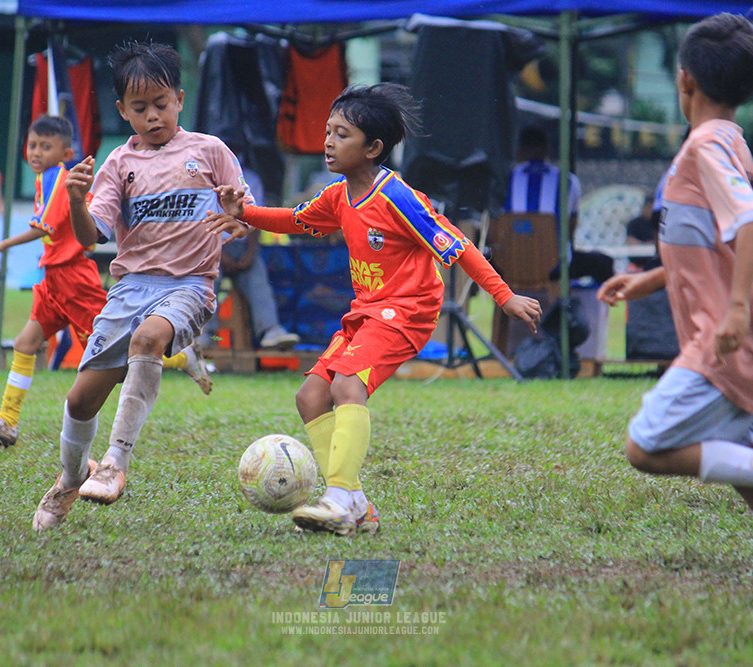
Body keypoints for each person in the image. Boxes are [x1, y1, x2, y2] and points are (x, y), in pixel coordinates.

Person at [596, 13, 753, 638]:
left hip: (724, 342)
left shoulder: (705, 145)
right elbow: (714, 242)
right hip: (750, 339)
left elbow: (752, 224)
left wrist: (734, 310)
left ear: (684, 80)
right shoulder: (730, 138)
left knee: (644, 447)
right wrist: (651, 279)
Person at [206, 83, 543, 537]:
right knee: (310, 397)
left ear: (373, 148)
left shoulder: (398, 197)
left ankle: (338, 499)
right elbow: (296, 219)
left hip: (407, 312)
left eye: (341, 134)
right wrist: (246, 213)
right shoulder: (338, 194)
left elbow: (460, 246)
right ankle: (357, 505)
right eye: (328, 131)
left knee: (348, 384)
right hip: (367, 312)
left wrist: (505, 296)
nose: (328, 141)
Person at [32, 41, 239, 531]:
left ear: (180, 99)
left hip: (189, 285)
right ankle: (71, 477)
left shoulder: (210, 152)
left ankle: (115, 463)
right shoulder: (118, 164)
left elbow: (242, 213)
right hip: (129, 290)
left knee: (149, 339)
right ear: (122, 110)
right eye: (140, 107)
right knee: (80, 401)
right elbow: (91, 237)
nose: (152, 116)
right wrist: (77, 200)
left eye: (161, 104)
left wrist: (238, 216)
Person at [0, 115, 107, 449]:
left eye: (45, 146)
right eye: (33, 145)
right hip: (54, 278)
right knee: (25, 343)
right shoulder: (45, 178)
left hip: (74, 280)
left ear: (65, 153)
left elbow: (42, 228)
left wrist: (1, 244)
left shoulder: (59, 179)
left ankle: (182, 358)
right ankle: (7, 422)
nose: (36, 152)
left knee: (113, 353)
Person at [200, 164, 300, 351]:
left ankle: (270, 329)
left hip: (243, 244)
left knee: (258, 277)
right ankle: (205, 333)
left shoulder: (251, 178)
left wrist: (250, 253)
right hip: (210, 245)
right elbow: (199, 222)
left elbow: (256, 217)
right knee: (208, 279)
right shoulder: (203, 177)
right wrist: (219, 252)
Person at [505, 124, 613, 284]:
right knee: (603, 262)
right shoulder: (568, 181)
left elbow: (495, 228)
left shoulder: (506, 179)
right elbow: (569, 230)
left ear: (519, 152)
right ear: (548, 151)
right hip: (555, 265)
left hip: (511, 262)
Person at [624, 192, 657, 270]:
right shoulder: (634, 223)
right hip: (637, 263)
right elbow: (630, 241)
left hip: (653, 263)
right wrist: (645, 245)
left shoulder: (656, 223)